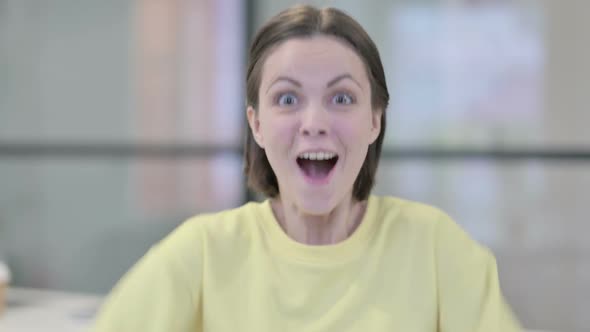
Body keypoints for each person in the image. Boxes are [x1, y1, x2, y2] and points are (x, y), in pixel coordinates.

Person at [93, 5, 522, 332]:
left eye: (341, 98)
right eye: (286, 98)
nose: (314, 123)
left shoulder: (436, 248)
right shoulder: (202, 253)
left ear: (375, 120)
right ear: (256, 124)